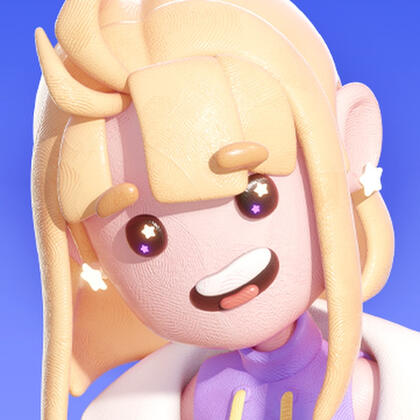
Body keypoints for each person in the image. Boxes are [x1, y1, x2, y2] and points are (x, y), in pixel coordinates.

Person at [33, 0, 420, 418]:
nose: (218, 267)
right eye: (145, 236)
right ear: (81, 243)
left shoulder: (381, 389)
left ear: (351, 146)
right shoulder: (170, 404)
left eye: (255, 197)